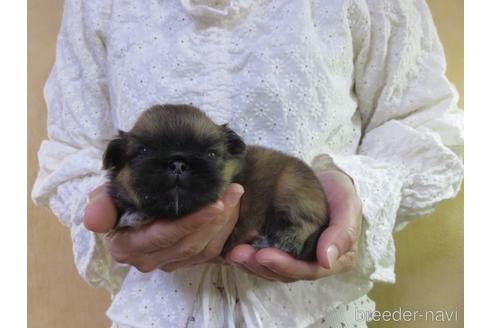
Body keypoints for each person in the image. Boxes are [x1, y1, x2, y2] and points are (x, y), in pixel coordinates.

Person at [32, 0, 463, 327]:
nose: (178, 168)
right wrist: (107, 218)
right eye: (147, 154)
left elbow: (424, 121)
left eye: (204, 156)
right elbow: (71, 149)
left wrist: (353, 188)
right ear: (119, 159)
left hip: (313, 313)